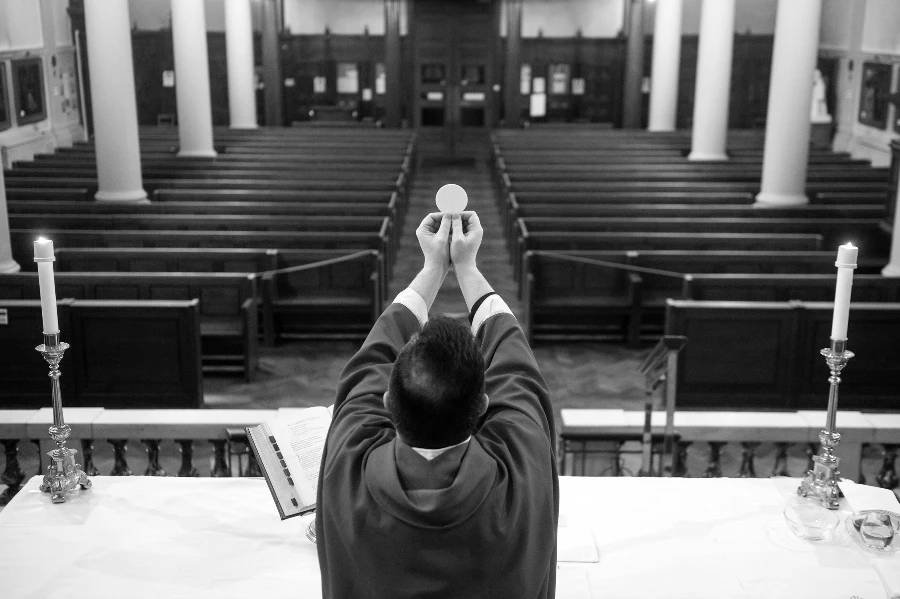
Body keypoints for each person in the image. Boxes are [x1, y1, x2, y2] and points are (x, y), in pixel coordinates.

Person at [316, 211, 559, 599]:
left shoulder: (349, 463)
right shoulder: (521, 466)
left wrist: (432, 267)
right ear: (483, 406)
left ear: (385, 403)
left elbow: (373, 354)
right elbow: (515, 361)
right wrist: (466, 266)